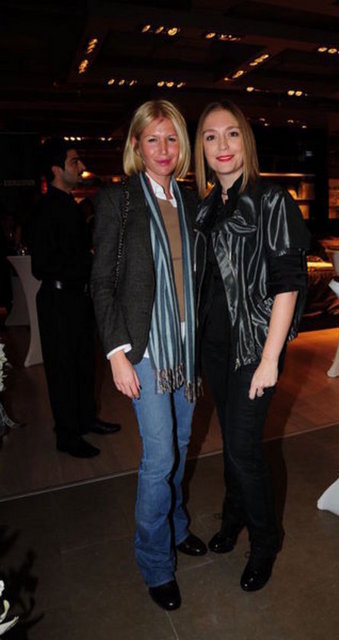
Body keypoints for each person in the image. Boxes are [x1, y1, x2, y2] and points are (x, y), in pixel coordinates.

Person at [90, 100, 206, 611]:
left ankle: (176, 526)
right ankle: (155, 562)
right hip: (144, 348)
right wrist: (117, 353)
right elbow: (101, 282)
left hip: (186, 348)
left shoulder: (190, 200)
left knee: (179, 445)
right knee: (160, 458)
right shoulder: (118, 200)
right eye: (153, 139)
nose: (163, 149)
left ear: (182, 145)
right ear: (136, 144)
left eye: (172, 138)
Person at [194, 101, 310, 592]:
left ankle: (265, 543)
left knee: (244, 448)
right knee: (232, 443)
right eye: (211, 136)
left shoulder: (272, 200)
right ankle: (233, 517)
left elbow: (288, 283)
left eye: (232, 134)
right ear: (201, 147)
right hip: (214, 348)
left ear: (247, 141)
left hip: (253, 349)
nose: (222, 145)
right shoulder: (205, 207)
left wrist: (269, 359)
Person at [31, 138, 120, 458]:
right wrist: (88, 262)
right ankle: (67, 435)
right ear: (56, 170)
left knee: (84, 363)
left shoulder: (69, 204)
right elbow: (41, 266)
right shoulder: (45, 209)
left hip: (75, 299)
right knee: (63, 369)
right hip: (57, 301)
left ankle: (86, 419)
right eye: (74, 162)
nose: (81, 167)